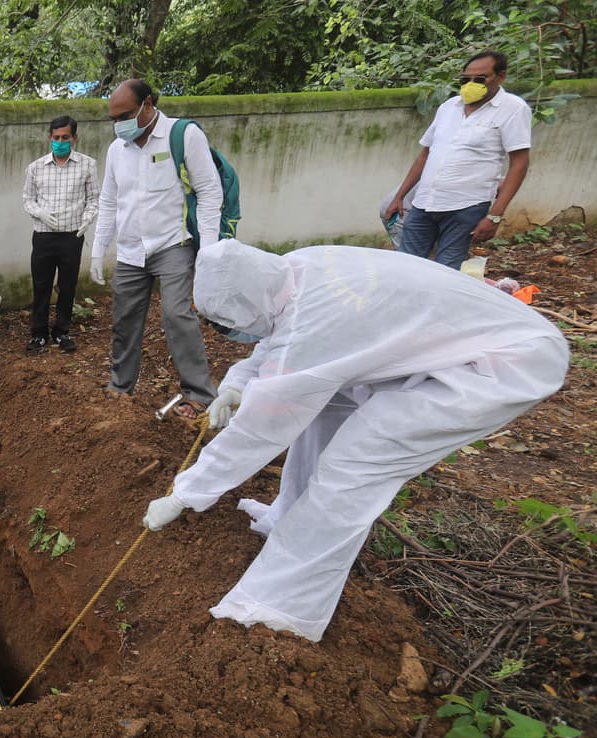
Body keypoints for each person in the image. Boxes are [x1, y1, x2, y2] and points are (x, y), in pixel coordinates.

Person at [143, 240, 568, 643]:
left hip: (499, 363)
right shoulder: (290, 270)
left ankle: (282, 608)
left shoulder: (313, 319)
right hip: (462, 339)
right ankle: (286, 518)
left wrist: (185, 494)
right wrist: (237, 384)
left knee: (353, 468)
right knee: (326, 410)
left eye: (229, 325)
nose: (231, 333)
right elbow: (279, 333)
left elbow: (261, 427)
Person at [90, 79, 222, 417]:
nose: (120, 125)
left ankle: (199, 394)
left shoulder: (184, 135)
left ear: (148, 105)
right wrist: (98, 248)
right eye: (114, 119)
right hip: (131, 250)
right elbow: (109, 201)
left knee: (177, 315)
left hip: (173, 244)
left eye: (127, 115)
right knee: (124, 320)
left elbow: (209, 191)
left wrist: (208, 250)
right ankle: (120, 388)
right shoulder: (117, 150)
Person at [385, 51, 531, 269]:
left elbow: (519, 164)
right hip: (425, 202)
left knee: (446, 272)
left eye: (480, 79)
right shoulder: (449, 107)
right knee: (407, 266)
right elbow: (425, 154)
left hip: (465, 208)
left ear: (501, 77)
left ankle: (437, 303)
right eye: (465, 79)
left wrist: (494, 216)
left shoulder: (513, 109)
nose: (471, 84)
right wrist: (399, 196)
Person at [22, 115, 99, 354]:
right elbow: (27, 199)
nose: (60, 141)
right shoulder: (35, 167)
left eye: (65, 137)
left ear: (74, 137)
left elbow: (94, 199)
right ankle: (39, 334)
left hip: (72, 236)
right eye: (56, 138)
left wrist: (87, 220)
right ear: (49, 137)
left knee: (67, 286)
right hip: (44, 235)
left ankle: (61, 331)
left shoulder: (87, 165)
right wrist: (40, 213)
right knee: (41, 285)